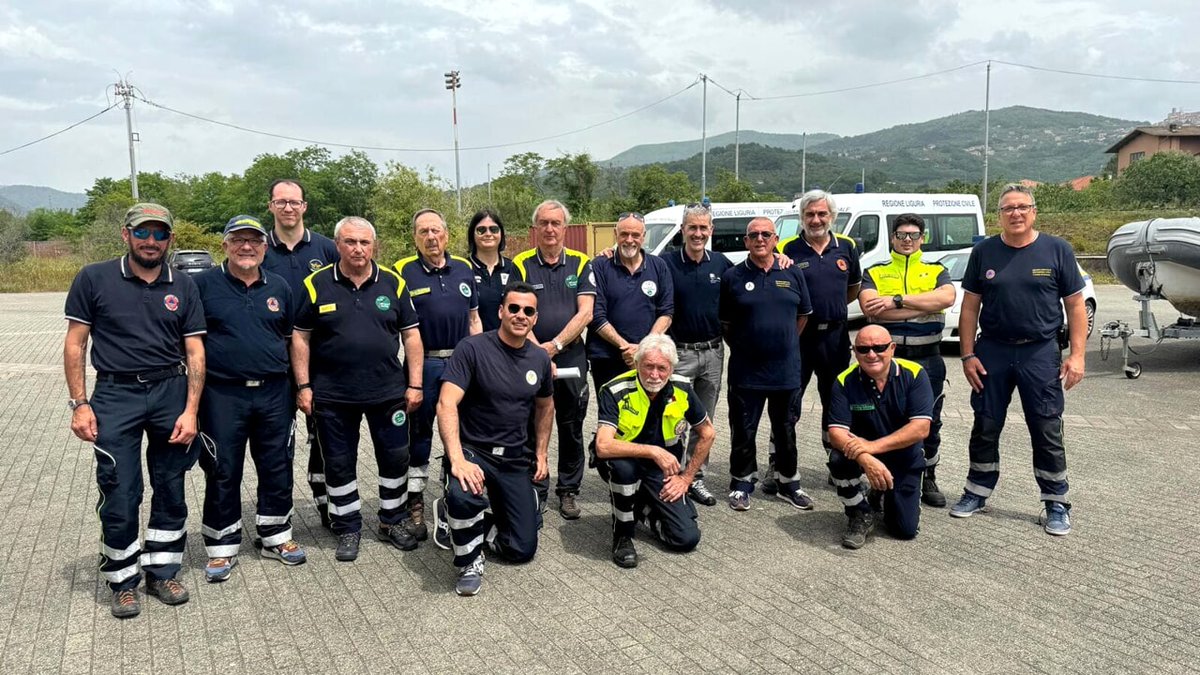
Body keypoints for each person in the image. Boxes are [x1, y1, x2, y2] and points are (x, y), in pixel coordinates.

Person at [63, 203, 206, 618]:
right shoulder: (94, 278)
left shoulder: (183, 284)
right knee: (121, 491)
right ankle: (122, 579)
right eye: (143, 233)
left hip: (170, 392)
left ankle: (163, 570)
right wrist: (80, 404)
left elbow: (195, 350)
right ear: (125, 234)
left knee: (171, 485)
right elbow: (76, 344)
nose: (151, 241)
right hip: (115, 395)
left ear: (170, 240)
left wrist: (191, 409)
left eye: (160, 234)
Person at [951, 184, 1086, 536]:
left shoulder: (1057, 249)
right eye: (1008, 208)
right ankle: (977, 491)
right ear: (999, 215)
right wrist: (967, 354)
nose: (1015, 213)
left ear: (1034, 212)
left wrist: (1078, 356)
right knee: (985, 423)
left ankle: (1056, 500)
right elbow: (969, 307)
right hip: (992, 350)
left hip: (1039, 351)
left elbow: (1075, 305)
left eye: (1022, 207)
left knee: (1045, 426)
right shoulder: (984, 252)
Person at [291, 216, 424, 561]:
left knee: (395, 458)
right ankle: (347, 526)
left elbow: (411, 335)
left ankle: (392, 520)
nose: (358, 249)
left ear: (373, 245)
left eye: (365, 243)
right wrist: (303, 385)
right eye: (350, 242)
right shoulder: (315, 284)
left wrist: (415, 383)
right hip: (333, 396)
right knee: (338, 463)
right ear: (337, 245)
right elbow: (300, 337)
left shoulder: (393, 284)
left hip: (388, 393)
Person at [194, 215, 306, 583]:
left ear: (263, 247)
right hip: (223, 394)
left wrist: (300, 388)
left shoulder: (281, 287)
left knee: (277, 465)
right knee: (222, 468)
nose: (247, 247)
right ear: (224, 245)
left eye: (254, 241)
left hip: (275, 392)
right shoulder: (202, 286)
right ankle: (222, 546)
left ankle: (275, 536)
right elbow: (190, 346)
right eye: (238, 240)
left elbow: (292, 340)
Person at [432, 282, 554, 596]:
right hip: (474, 451)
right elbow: (446, 404)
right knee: (465, 494)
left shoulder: (539, 359)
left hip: (513, 457)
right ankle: (469, 560)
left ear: (535, 318)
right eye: (513, 308)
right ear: (501, 311)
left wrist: (541, 454)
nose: (520, 315)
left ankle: (461, 520)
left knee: (522, 548)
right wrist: (457, 459)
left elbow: (545, 406)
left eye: (528, 311)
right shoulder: (472, 349)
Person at [764, 190, 860, 495]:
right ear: (801, 217)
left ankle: (837, 461)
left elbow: (853, 289)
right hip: (800, 339)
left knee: (837, 403)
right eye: (809, 214)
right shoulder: (787, 249)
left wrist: (829, 310)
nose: (816, 220)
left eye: (821, 214)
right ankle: (777, 463)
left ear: (831, 216)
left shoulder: (846, 247)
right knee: (787, 402)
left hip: (835, 338)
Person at [394, 209, 481, 541]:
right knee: (420, 436)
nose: (431, 237)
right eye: (423, 232)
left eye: (436, 230)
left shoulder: (463, 269)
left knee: (462, 430)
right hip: (425, 364)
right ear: (415, 237)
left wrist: (479, 362)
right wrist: (413, 380)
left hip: (461, 363)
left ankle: (455, 493)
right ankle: (415, 501)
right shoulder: (403, 271)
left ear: (447, 234)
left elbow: (474, 320)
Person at [859, 213, 955, 507]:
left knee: (929, 421)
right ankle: (881, 480)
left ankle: (928, 477)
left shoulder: (936, 270)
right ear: (893, 237)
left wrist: (896, 301)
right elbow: (872, 310)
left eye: (914, 235)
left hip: (927, 358)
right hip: (885, 360)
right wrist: (921, 304)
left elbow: (947, 299)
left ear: (922, 238)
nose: (908, 240)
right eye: (901, 235)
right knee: (880, 419)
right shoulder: (875, 271)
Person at [594, 335, 715, 568]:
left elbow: (708, 433)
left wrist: (686, 478)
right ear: (637, 364)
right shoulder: (615, 389)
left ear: (671, 368)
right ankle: (623, 536)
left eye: (662, 368)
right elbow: (603, 446)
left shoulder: (682, 387)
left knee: (686, 538)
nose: (654, 374)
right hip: (623, 461)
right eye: (648, 366)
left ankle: (640, 506)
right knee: (623, 470)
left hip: (660, 470)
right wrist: (653, 451)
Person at [259, 179, 340, 528]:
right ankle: (277, 517)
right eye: (281, 202)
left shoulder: (325, 249)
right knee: (277, 443)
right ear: (271, 206)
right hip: (274, 362)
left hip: (320, 361)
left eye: (295, 202)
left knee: (324, 438)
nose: (288, 208)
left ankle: (327, 507)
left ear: (305, 206)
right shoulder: (257, 248)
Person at [719, 217, 813, 511]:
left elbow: (803, 316)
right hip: (746, 371)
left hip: (786, 370)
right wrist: (751, 344)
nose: (760, 239)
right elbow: (725, 323)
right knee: (744, 429)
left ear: (775, 240)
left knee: (786, 429)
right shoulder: (732, 276)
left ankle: (788, 483)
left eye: (766, 234)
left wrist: (781, 342)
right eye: (754, 235)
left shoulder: (793, 272)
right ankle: (742, 483)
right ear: (746, 241)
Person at [512, 200, 595, 520]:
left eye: (556, 223)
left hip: (571, 354)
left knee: (571, 426)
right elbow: (517, 311)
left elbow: (586, 311)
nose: (549, 229)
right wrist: (538, 351)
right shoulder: (521, 263)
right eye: (544, 223)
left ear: (565, 228)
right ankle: (537, 487)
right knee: (534, 425)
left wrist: (555, 345)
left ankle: (569, 491)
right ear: (536, 228)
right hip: (530, 355)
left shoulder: (580, 262)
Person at [827, 325, 934, 549]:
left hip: (903, 455)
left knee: (904, 530)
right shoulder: (844, 381)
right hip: (863, 454)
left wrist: (872, 447)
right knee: (837, 458)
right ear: (855, 352)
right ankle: (859, 512)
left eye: (879, 347)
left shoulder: (915, 374)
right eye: (864, 349)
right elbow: (836, 433)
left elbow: (921, 428)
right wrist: (866, 458)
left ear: (892, 348)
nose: (872, 354)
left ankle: (880, 494)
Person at [659, 203, 732, 507]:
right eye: (693, 227)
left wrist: (780, 257)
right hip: (680, 354)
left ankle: (696, 478)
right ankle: (670, 476)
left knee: (705, 421)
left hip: (714, 353)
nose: (698, 233)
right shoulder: (665, 263)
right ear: (683, 230)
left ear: (711, 231)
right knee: (673, 419)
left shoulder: (722, 265)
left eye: (704, 228)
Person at [587, 211, 674, 391]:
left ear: (643, 236)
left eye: (635, 235)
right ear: (615, 234)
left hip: (649, 359)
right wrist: (625, 347)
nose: (629, 239)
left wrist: (642, 349)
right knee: (611, 415)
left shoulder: (658, 266)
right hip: (606, 358)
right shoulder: (600, 266)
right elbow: (596, 315)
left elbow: (666, 312)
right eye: (624, 234)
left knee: (648, 415)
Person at [467, 208, 519, 333]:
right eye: (481, 230)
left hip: (508, 346)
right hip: (474, 345)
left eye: (494, 229)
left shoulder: (513, 267)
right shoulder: (463, 268)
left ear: (501, 234)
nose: (488, 234)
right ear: (472, 235)